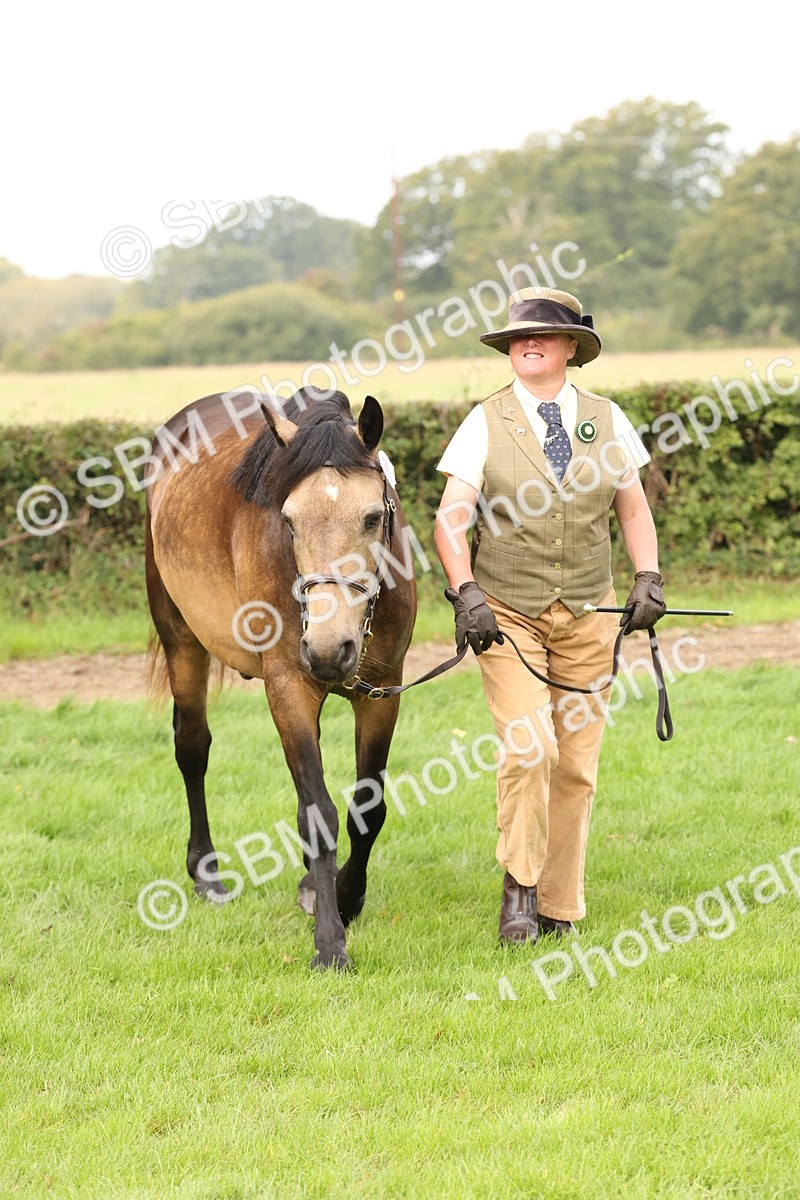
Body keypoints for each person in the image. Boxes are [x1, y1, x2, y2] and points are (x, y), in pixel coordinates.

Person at [434, 286, 666, 943]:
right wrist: (467, 592)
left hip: (591, 615)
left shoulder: (607, 419)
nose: (526, 344)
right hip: (507, 614)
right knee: (529, 745)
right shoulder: (485, 421)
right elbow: (451, 521)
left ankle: (559, 906)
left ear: (571, 347)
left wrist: (648, 575)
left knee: (575, 765)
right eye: (516, 337)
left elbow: (632, 508)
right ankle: (520, 889)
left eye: (540, 335)